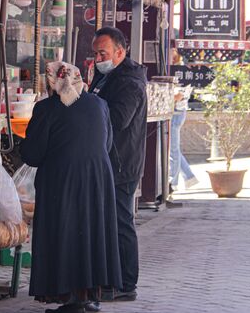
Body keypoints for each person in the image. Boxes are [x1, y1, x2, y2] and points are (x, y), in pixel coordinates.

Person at [21, 61, 122, 313]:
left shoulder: (46, 108)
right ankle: (85, 296)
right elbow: (106, 143)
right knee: (89, 233)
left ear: (52, 82)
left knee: (64, 233)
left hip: (61, 181)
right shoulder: (99, 104)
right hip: (97, 179)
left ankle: (70, 298)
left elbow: (33, 154)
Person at [89, 27, 147, 302]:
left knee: (121, 221)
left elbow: (119, 119)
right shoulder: (105, 74)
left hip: (122, 162)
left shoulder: (130, 81)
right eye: (96, 53)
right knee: (108, 221)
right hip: (105, 159)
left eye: (103, 53)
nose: (98, 58)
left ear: (120, 52)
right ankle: (110, 278)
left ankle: (126, 283)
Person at [169, 48, 198, 194]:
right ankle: (189, 177)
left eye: (172, 50)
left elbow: (179, 95)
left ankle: (172, 182)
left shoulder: (181, 72)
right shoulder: (175, 70)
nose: (170, 53)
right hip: (176, 111)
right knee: (172, 149)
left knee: (172, 150)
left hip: (177, 112)